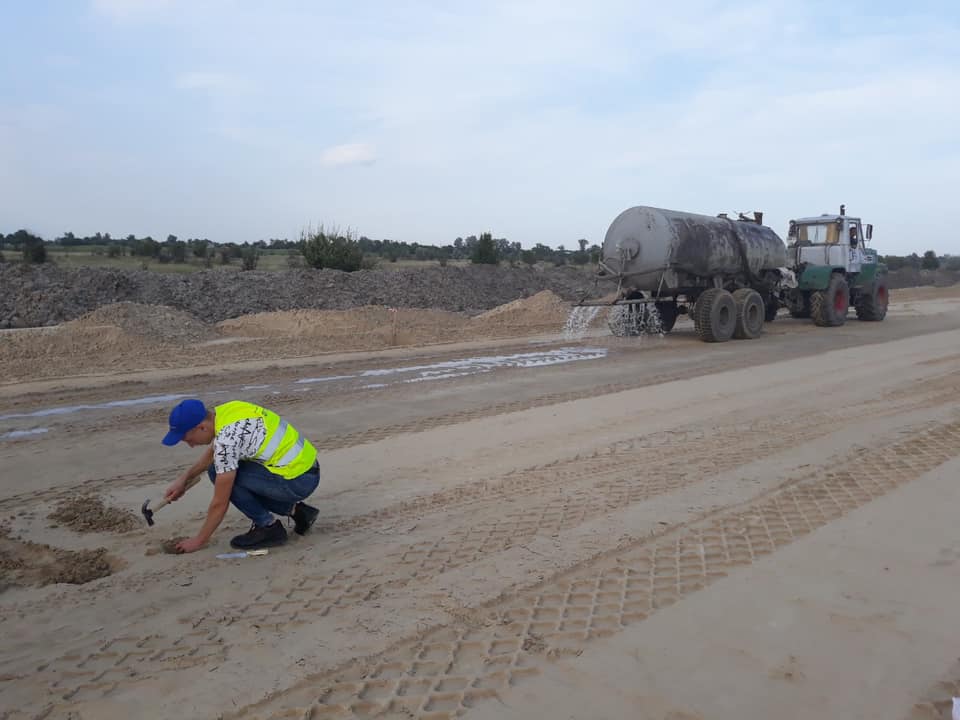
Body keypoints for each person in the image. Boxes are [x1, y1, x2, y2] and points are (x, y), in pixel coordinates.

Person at [161, 398, 321, 553]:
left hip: (297, 481)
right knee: (219, 469)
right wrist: (184, 479)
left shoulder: (227, 441)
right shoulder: (228, 411)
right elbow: (216, 451)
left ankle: (268, 527)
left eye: (188, 439)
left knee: (221, 475)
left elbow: (220, 503)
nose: (191, 445)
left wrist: (199, 540)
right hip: (307, 469)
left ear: (202, 427)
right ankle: (299, 512)